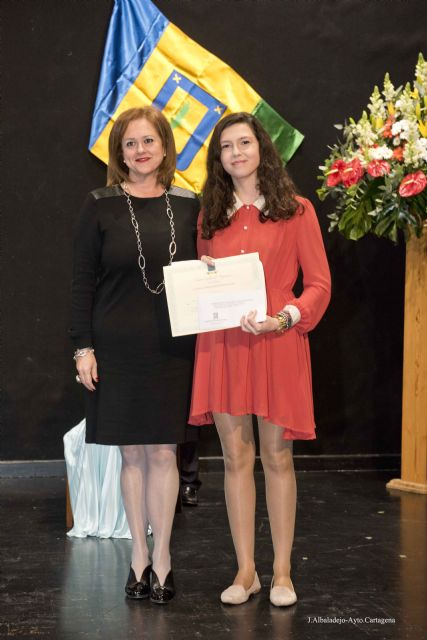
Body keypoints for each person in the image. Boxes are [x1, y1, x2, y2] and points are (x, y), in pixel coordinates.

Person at [189, 112, 331, 606]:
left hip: (277, 343)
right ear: (219, 159)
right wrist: (203, 277)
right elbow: (203, 283)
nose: (236, 153)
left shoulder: (297, 210)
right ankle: (246, 571)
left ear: (261, 148)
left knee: (276, 456)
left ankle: (283, 573)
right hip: (224, 346)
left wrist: (286, 318)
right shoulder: (210, 216)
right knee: (235, 456)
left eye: (244, 142)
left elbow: (318, 285)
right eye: (226, 147)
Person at [70, 106, 199, 603]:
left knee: (165, 450)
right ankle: (137, 559)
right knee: (131, 454)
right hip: (116, 346)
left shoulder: (189, 205)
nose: (140, 150)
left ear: (165, 147)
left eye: (148, 141)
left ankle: (162, 558)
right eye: (130, 143)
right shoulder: (99, 204)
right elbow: (81, 282)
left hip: (173, 346)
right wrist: (82, 347)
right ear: (119, 153)